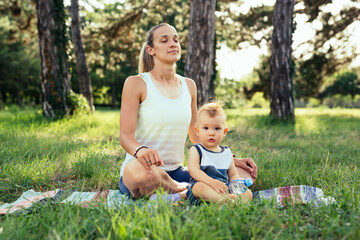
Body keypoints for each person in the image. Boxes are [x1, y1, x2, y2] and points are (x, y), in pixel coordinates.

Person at [119, 23, 258, 200]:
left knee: (242, 174)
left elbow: (195, 135)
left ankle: (182, 192)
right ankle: (188, 191)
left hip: (177, 171)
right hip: (145, 169)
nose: (173, 44)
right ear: (150, 50)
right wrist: (141, 150)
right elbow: (125, 136)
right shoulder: (136, 83)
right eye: (165, 40)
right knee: (134, 171)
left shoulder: (189, 85)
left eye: (176, 40)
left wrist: (228, 160)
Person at [186, 102, 253, 204]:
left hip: (224, 188)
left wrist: (237, 183)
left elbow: (233, 174)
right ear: (197, 130)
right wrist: (212, 182)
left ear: (224, 132)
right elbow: (194, 171)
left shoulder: (227, 153)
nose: (211, 133)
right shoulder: (196, 149)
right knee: (198, 187)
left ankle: (231, 202)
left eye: (217, 128)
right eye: (206, 128)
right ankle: (223, 200)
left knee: (248, 193)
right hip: (205, 186)